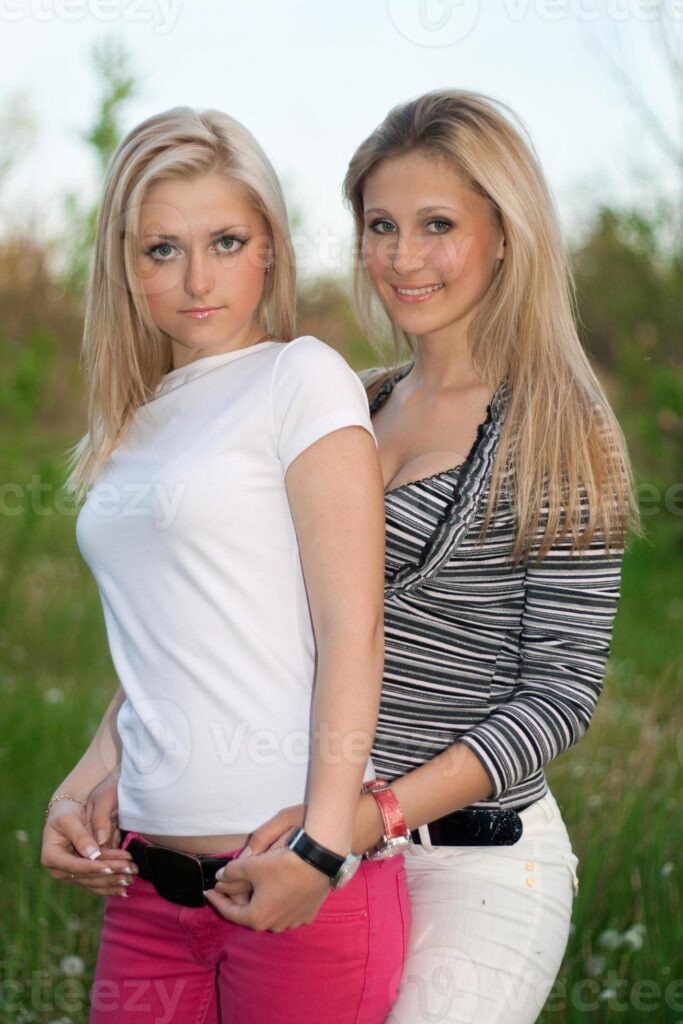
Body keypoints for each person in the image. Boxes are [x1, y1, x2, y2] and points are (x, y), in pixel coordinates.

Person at [217, 90, 639, 1024]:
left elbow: (561, 693)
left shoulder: (562, 429)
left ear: (503, 233)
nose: (403, 258)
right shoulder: (348, 403)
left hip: (473, 863)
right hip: (313, 830)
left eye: (437, 225)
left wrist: (375, 818)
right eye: (381, 225)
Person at [40, 106, 409, 1024]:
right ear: (122, 265)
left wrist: (323, 850)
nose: (196, 279)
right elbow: (167, 645)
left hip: (294, 886)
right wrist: (83, 783)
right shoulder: (126, 428)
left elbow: (350, 627)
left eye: (226, 240)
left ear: (271, 250)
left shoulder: (301, 378)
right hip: (146, 893)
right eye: (161, 249)